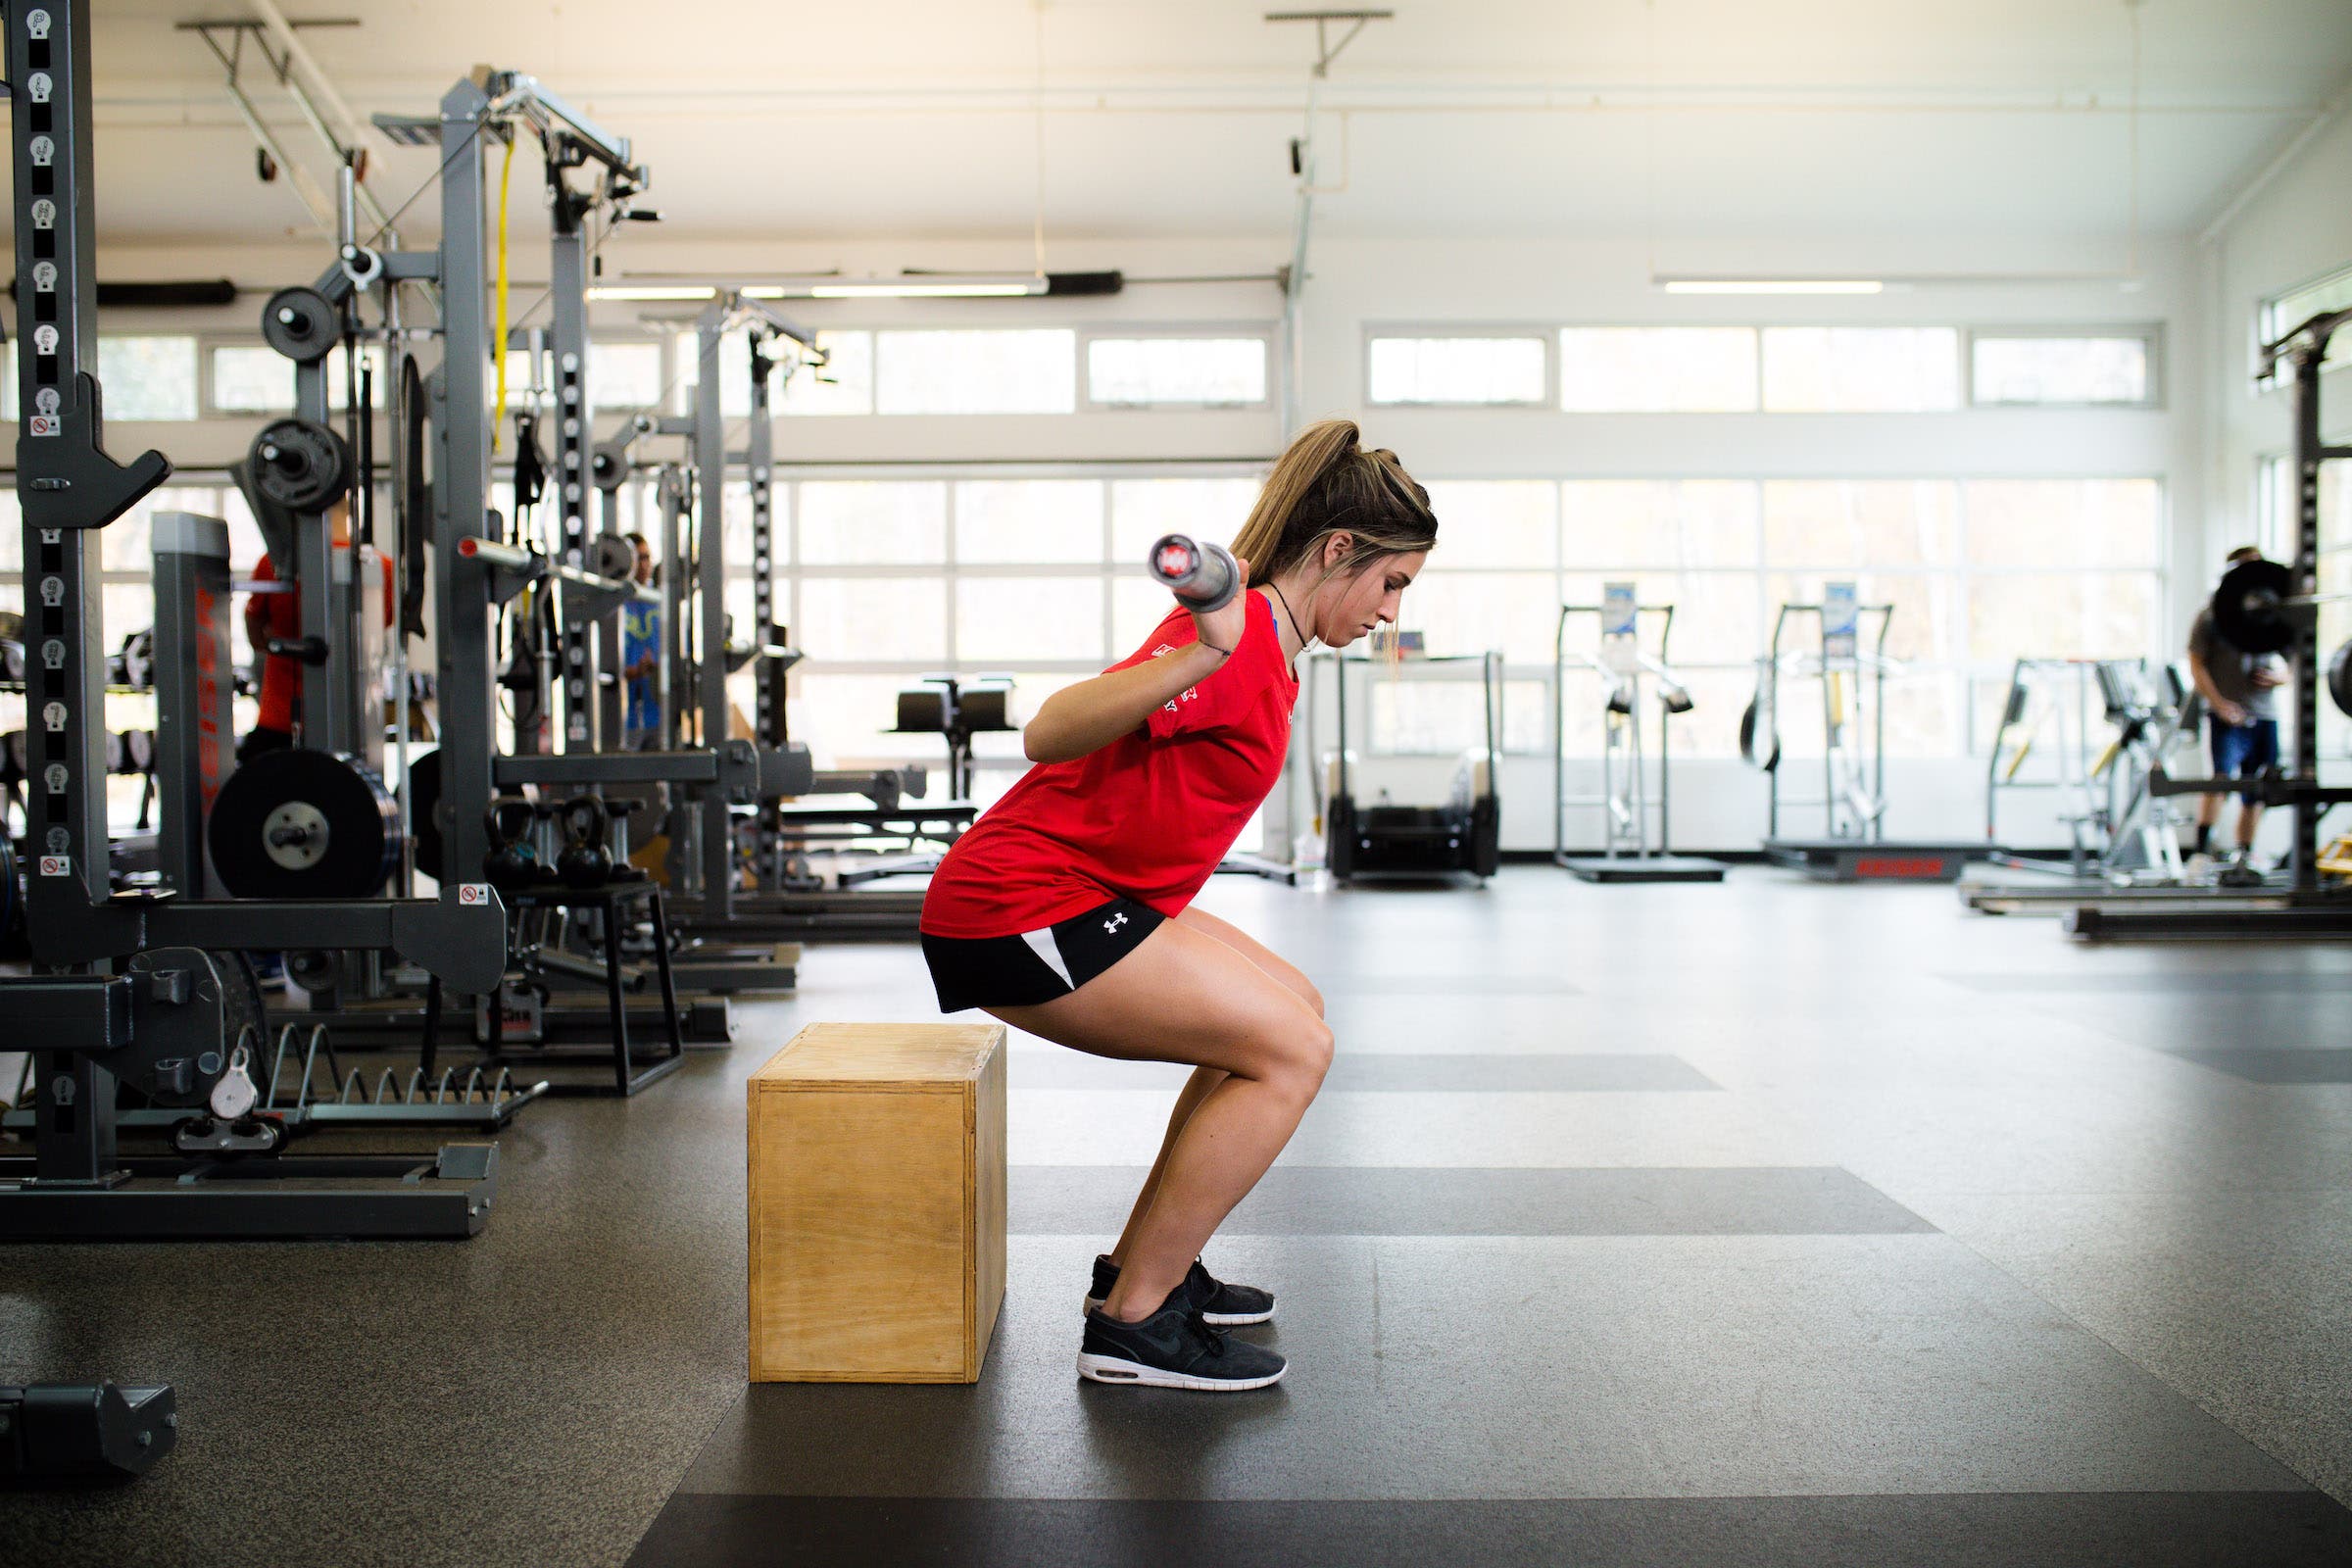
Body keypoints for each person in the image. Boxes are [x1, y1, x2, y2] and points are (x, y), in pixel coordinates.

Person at [916, 419, 1438, 1393]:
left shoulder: (1255, 632)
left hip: (1089, 893)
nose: (1391, 611)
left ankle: (1143, 1263)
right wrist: (1202, 657)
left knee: (1293, 1009)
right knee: (1293, 1050)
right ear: (1337, 552)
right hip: (1016, 909)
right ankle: (1136, 1323)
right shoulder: (1231, 647)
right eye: (1392, 582)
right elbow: (1046, 731)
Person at [2185, 546, 2287, 879]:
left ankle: (2245, 855)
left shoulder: (2276, 614)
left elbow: (2297, 660)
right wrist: (2218, 704)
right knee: (2220, 781)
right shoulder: (2212, 616)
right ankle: (2201, 854)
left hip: (2265, 714)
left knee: (2257, 788)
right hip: (2227, 714)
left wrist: (2280, 678)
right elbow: (2196, 664)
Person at [618, 532, 662, 749]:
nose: (645, 565)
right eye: (639, 559)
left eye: (647, 557)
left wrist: (657, 668)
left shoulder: (659, 599)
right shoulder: (615, 603)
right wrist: (633, 671)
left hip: (657, 715)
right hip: (623, 720)